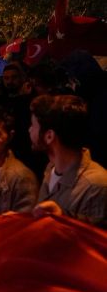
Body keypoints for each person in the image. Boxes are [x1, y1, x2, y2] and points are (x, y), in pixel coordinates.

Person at [29, 95, 107, 228]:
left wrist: (64, 219)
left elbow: (95, 242)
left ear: (49, 136)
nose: (29, 129)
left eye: (33, 125)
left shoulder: (96, 186)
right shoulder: (51, 169)